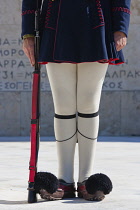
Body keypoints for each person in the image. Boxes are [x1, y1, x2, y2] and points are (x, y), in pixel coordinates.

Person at [22, 0, 131, 201]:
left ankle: (86, 180)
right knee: (63, 105)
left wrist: (121, 27)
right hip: (57, 21)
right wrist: (28, 33)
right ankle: (64, 179)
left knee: (89, 103)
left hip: (97, 21)